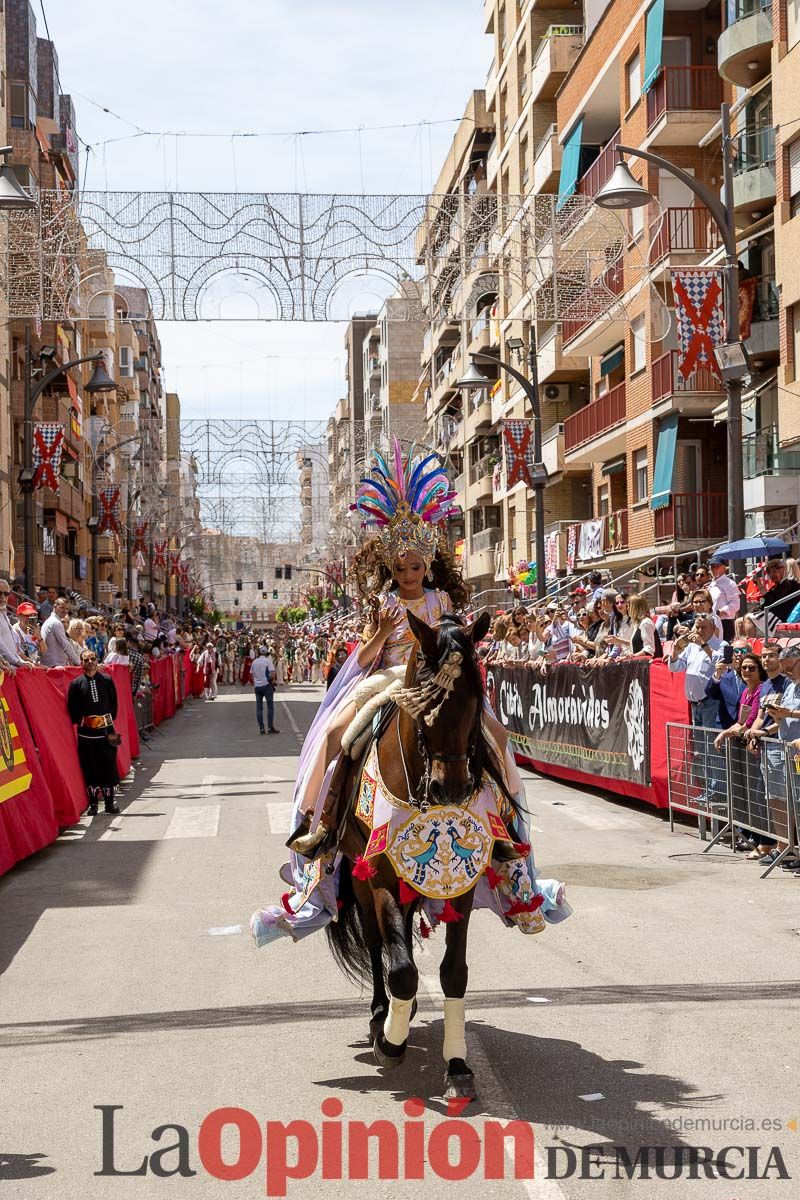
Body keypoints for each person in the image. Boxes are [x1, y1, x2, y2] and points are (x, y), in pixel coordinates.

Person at [252, 438, 568, 948]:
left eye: (415, 568)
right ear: (391, 570)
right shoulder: (383, 601)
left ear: (428, 564)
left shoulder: (442, 599)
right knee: (337, 734)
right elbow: (364, 658)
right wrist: (379, 630)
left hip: (435, 681)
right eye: (400, 570)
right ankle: (322, 828)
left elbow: (453, 644)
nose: (407, 576)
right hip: (390, 680)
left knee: (498, 738)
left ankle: (513, 845)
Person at [67, 649, 121, 815]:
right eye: (85, 659)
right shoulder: (76, 684)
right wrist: (86, 721)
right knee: (90, 768)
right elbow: (72, 709)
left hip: (106, 733)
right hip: (86, 735)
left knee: (109, 767)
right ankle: (93, 804)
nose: (90, 661)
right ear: (81, 662)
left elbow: (114, 704)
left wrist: (105, 720)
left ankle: (110, 803)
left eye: (92, 658)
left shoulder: (106, 679)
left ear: (97, 660)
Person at [707, 555, 741, 642]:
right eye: (712, 567)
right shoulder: (711, 585)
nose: (714, 569)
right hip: (712, 622)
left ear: (724, 568)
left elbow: (736, 604)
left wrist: (721, 611)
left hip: (725, 623)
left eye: (717, 566)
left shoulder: (730, 583)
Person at [39, 597, 80, 667]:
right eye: (62, 608)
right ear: (54, 606)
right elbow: (65, 645)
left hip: (52, 664)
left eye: (67, 609)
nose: (65, 611)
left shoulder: (50, 621)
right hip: (55, 665)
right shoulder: (56, 623)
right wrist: (79, 662)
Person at [252, 644, 278, 734]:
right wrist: (272, 682)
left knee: (259, 708)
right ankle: (270, 727)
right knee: (270, 707)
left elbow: (252, 674)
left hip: (257, 686)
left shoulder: (254, 662)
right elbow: (272, 673)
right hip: (266, 685)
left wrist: (257, 681)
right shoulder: (268, 661)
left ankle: (261, 728)